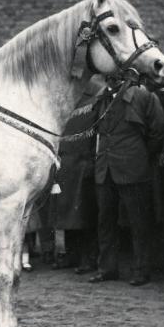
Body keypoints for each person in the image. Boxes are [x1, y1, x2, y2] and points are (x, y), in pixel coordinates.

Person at [89, 77, 164, 286]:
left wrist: (139, 156)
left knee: (138, 221)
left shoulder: (143, 95)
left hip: (133, 169)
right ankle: (107, 268)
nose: (111, 75)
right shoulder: (101, 97)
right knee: (105, 220)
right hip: (105, 169)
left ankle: (141, 270)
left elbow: (158, 131)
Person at [50, 110, 99, 273]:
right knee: (66, 213)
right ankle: (72, 255)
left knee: (84, 214)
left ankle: (89, 258)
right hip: (65, 164)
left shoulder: (95, 97)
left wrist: (91, 162)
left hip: (83, 164)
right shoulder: (67, 98)